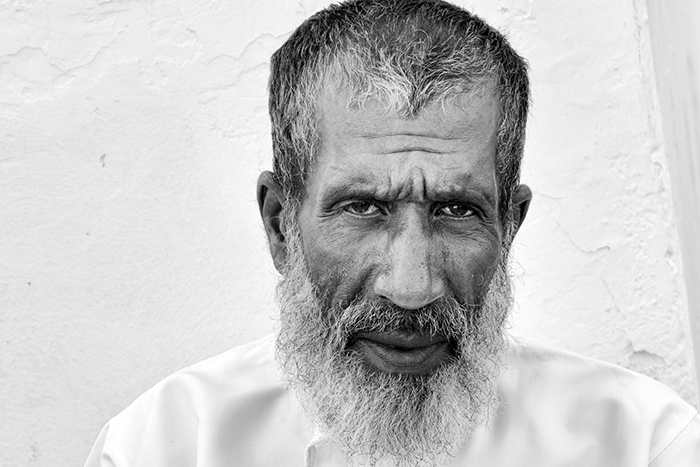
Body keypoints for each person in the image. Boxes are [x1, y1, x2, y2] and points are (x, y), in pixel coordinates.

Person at [84, 0, 700, 466]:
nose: (411, 288)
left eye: (457, 211)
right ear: (279, 224)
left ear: (509, 228)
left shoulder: (644, 445)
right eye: (362, 208)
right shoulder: (164, 447)